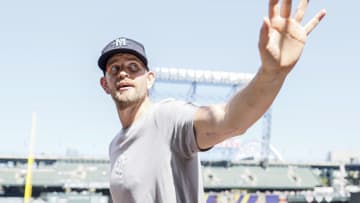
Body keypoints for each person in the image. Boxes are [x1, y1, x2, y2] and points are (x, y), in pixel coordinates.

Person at [97, 0, 326, 202]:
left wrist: (271, 73)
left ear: (150, 79)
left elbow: (229, 120)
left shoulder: (167, 118)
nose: (123, 74)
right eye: (114, 68)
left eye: (133, 67)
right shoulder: (115, 145)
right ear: (104, 84)